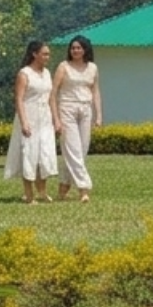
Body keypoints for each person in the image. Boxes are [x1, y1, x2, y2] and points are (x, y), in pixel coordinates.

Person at [3, 40, 58, 203]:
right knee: (30, 153)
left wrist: (56, 119)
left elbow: (51, 98)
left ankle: (42, 191)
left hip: (45, 117)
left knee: (45, 153)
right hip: (30, 115)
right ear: (35, 54)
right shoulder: (24, 73)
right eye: (44, 54)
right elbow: (19, 99)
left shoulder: (47, 73)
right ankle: (29, 194)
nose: (47, 57)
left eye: (48, 54)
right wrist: (24, 121)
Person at [52, 35, 101, 202]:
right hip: (67, 107)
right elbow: (53, 92)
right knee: (72, 149)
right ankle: (84, 188)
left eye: (78, 48)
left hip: (85, 108)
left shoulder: (93, 67)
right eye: (73, 48)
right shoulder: (63, 67)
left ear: (85, 49)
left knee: (81, 150)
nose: (75, 50)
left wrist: (99, 115)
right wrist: (56, 119)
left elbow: (95, 91)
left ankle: (63, 186)